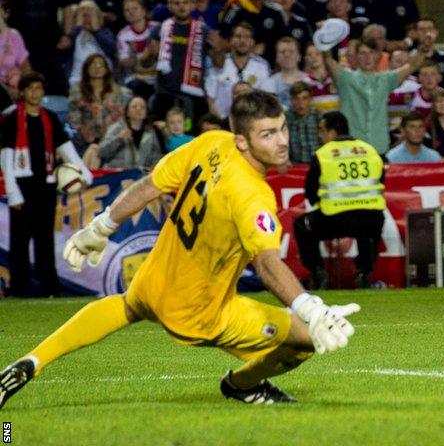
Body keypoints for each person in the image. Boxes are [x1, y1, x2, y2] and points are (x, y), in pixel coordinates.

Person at [0, 90, 362, 409]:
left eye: (282, 128)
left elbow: (150, 185)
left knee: (125, 307)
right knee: (305, 339)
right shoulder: (254, 195)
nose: (281, 141)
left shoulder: (211, 143)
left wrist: (101, 226)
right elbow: (266, 264)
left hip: (154, 281)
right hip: (201, 312)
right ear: (242, 141)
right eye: (267, 134)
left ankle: (33, 360)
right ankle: (243, 386)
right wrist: (310, 308)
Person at [0, 71, 92, 297]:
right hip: (22, 187)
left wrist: (84, 172)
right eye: (30, 88)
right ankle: (18, 288)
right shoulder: (12, 118)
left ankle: (50, 288)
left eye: (38, 88)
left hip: (46, 187)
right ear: (22, 92)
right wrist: (12, 191)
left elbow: (65, 149)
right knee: (19, 241)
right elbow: (6, 156)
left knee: (45, 240)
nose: (35, 93)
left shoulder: (49, 117)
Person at [294, 110, 385, 289]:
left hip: (334, 219)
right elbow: (381, 181)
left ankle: (318, 273)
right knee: (368, 229)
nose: (319, 135)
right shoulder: (369, 150)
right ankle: (364, 274)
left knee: (301, 225)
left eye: (321, 130)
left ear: (332, 132)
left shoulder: (323, 154)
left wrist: (328, 204)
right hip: (371, 219)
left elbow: (311, 192)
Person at [327, 38, 425, 154]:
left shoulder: (386, 80)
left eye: (371, 53)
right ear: (356, 57)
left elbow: (413, 66)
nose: (367, 57)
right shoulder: (346, 78)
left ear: (378, 57)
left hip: (378, 148)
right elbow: (328, 60)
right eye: (363, 53)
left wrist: (423, 47)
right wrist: (325, 39)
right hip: (352, 150)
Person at [148, 0, 210, 130]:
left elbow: (219, 62)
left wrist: (220, 48)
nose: (181, 6)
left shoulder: (203, 30)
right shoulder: (159, 29)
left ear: (193, 5)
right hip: (165, 93)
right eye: (176, 3)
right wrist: (152, 54)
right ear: (169, 6)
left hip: (193, 95)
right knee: (164, 137)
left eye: (185, 2)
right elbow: (146, 62)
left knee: (192, 138)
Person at [67, 53, 130, 168]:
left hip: (110, 138)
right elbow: (74, 119)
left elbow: (120, 116)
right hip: (85, 138)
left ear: (106, 69)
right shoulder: (77, 90)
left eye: (100, 65)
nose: (97, 68)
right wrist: (86, 133)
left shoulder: (116, 91)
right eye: (93, 65)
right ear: (86, 69)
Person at [205, 22, 270, 121]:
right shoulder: (219, 64)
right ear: (230, 40)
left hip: (252, 121)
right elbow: (211, 102)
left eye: (247, 37)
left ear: (253, 42)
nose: (242, 41)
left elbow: (265, 99)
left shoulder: (262, 66)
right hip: (222, 122)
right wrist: (221, 123)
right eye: (238, 36)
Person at [97, 95, 164, 169]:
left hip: (140, 174)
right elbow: (101, 152)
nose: (138, 109)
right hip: (116, 172)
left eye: (142, 107)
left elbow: (156, 155)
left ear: (146, 113)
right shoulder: (117, 127)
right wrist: (118, 139)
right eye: (134, 107)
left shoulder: (151, 132)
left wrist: (152, 169)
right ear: (127, 112)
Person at [285, 81, 318, 165]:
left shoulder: (319, 117)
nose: (300, 103)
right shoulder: (285, 119)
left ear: (311, 99)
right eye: (296, 99)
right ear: (291, 100)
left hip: (317, 165)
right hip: (294, 166)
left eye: (305, 98)